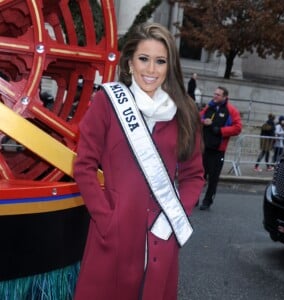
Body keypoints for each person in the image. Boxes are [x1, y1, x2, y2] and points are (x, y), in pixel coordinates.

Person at [73, 22, 205, 300]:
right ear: (130, 62)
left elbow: (194, 176)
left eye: (160, 61)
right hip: (114, 233)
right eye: (144, 59)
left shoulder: (185, 112)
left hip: (161, 234)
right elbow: (84, 165)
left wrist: (175, 217)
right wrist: (105, 217)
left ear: (170, 66)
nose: (151, 70)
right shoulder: (108, 103)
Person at [199, 86, 242, 210]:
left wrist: (220, 130)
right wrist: (203, 121)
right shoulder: (209, 107)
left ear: (224, 97)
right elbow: (198, 117)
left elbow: (238, 128)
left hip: (218, 151)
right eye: (214, 93)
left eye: (218, 94)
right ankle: (195, 198)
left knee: (213, 178)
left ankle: (207, 201)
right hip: (204, 148)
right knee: (199, 175)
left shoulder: (231, 110)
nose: (215, 96)